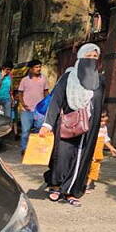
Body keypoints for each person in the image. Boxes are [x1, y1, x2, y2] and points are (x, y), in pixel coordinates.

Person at [39, 43, 105, 206]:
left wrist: (101, 124)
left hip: (88, 127)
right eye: (88, 57)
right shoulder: (68, 77)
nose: (91, 60)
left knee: (81, 159)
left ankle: (72, 191)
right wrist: (47, 124)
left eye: (94, 57)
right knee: (62, 155)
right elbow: (56, 101)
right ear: (80, 56)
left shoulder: (100, 80)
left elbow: (100, 104)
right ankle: (55, 186)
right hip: (67, 123)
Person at [17, 59, 50, 155]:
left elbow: (46, 93)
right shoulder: (24, 80)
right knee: (25, 132)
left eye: (39, 67)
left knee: (39, 131)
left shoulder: (43, 79)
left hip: (40, 111)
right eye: (36, 67)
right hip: (26, 110)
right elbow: (20, 93)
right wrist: (23, 104)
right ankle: (24, 149)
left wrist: (47, 104)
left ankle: (36, 150)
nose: (38, 69)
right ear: (31, 69)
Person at [86, 109, 116, 193]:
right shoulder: (91, 127)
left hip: (98, 153)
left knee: (95, 168)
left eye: (105, 121)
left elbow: (105, 139)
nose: (103, 123)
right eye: (101, 121)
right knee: (86, 167)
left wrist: (111, 148)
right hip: (90, 152)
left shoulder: (104, 128)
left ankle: (88, 184)